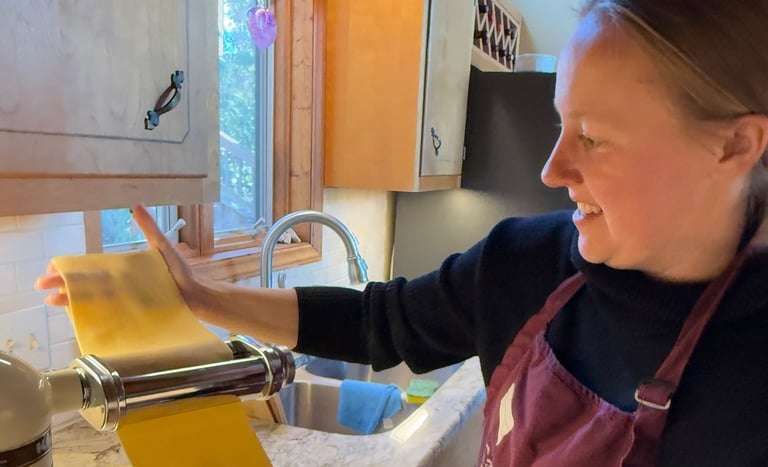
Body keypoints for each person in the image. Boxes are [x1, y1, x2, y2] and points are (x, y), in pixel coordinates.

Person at [37, 0, 768, 465]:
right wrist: (203, 297)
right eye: (559, 124)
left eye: (595, 138)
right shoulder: (525, 265)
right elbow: (374, 321)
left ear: (736, 146)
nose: (552, 167)